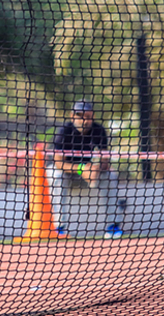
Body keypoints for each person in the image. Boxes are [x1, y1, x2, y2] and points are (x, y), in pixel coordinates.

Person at [48, 101, 126, 239]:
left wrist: (96, 169)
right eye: (80, 116)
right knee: (56, 175)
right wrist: (81, 168)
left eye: (88, 116)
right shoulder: (64, 131)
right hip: (69, 173)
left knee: (110, 176)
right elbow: (59, 163)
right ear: (72, 116)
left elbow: (105, 160)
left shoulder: (99, 130)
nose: (84, 120)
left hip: (89, 175)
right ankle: (59, 228)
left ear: (93, 116)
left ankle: (113, 226)